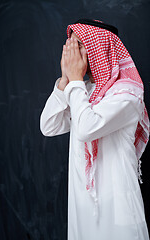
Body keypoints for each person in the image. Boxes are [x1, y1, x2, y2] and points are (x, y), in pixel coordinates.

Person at [40, 19, 150, 240]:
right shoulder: (83, 91)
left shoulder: (128, 94)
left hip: (118, 210)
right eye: (70, 46)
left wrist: (75, 83)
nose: (73, 54)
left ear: (100, 48)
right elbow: (49, 126)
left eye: (80, 45)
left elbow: (86, 128)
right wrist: (64, 80)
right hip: (83, 207)